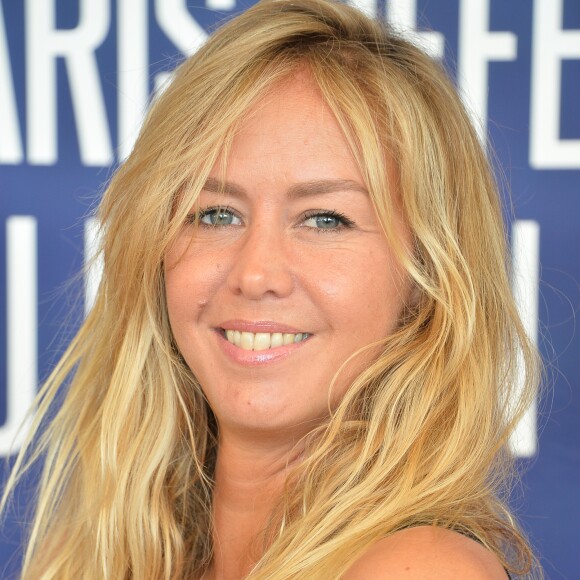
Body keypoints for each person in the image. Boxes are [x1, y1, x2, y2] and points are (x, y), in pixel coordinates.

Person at [2, 0, 540, 577]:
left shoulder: (421, 568)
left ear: (428, 275)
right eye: (215, 214)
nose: (255, 274)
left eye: (325, 219)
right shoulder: (99, 557)